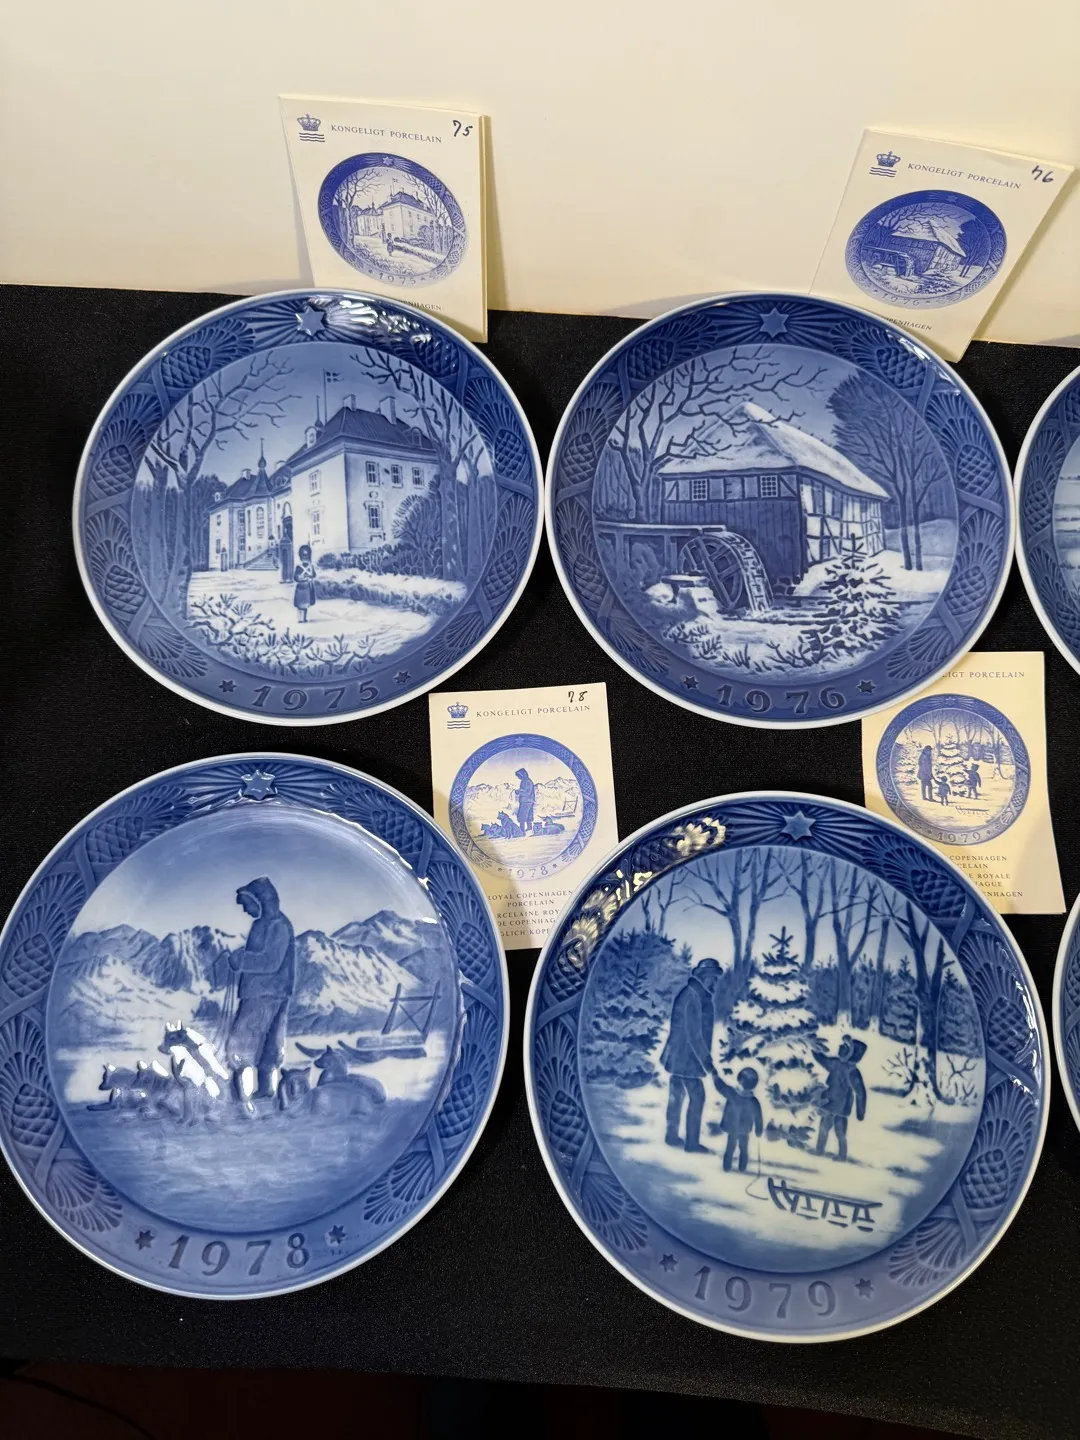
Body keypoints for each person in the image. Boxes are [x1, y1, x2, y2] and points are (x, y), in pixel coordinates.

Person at [227, 877, 296, 1109]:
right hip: (274, 992)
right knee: (269, 1044)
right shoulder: (269, 924)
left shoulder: (276, 925)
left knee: (244, 1042)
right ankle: (266, 1092)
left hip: (263, 993)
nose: (245, 909)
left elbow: (270, 962)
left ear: (260, 901)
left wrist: (241, 960)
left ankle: (240, 1096)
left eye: (247, 903)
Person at [661, 957, 723, 1153]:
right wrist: (707, 1063)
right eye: (714, 978)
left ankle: (671, 1136)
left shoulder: (692, 993)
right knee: (697, 1096)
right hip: (687, 1058)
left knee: (676, 1095)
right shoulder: (694, 997)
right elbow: (694, 1035)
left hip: (678, 1056)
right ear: (705, 977)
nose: (716, 982)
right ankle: (692, 1143)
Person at [812, 1035, 867, 1161]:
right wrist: (814, 1049)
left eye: (845, 1046)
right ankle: (819, 1149)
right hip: (830, 1102)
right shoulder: (835, 1063)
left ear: (851, 1053)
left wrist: (860, 1111)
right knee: (824, 1127)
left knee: (840, 1131)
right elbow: (823, 1060)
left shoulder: (852, 1072)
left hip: (842, 1107)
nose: (840, 1046)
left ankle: (842, 1155)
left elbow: (860, 1093)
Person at [714, 1067, 763, 1173]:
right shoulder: (754, 1101)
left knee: (730, 1147)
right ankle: (742, 1168)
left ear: (739, 1080)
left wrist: (715, 1077)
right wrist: (759, 1130)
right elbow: (758, 1117)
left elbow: (721, 1087)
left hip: (732, 1128)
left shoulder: (733, 1094)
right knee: (743, 1148)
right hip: (745, 1129)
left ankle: (727, 1167)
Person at [292, 543, 317, 623]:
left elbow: (314, 575)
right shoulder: (298, 567)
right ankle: (300, 619)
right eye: (304, 556)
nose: (305, 558)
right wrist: (300, 578)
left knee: (305, 604)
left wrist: (309, 576)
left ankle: (303, 619)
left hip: (306, 587)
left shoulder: (311, 567)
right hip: (301, 587)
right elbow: (295, 577)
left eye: (307, 556)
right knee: (299, 605)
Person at [515, 767, 536, 834]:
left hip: (526, 801)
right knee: (529, 815)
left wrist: (519, 792)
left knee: (522, 815)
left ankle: (522, 830)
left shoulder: (526, 781)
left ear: (522, 775)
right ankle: (529, 828)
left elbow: (527, 792)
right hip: (529, 801)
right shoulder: (527, 781)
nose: (518, 777)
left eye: (519, 776)